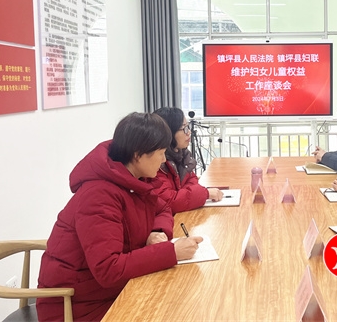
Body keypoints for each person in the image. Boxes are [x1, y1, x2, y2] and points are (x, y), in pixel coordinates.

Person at [37, 113, 203, 322]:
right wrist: (171, 252)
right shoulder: (98, 196)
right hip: (77, 305)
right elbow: (109, 269)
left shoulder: (136, 180)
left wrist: (156, 231)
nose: (163, 160)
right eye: (161, 153)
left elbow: (163, 208)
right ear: (138, 155)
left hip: (110, 291)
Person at [153, 107, 222, 213]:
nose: (189, 132)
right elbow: (170, 201)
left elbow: (192, 179)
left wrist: (184, 194)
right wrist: (205, 193)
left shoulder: (182, 154)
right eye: (184, 128)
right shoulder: (156, 163)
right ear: (168, 132)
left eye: (188, 127)